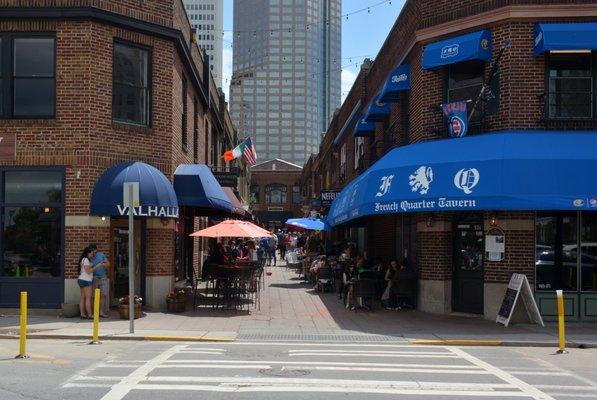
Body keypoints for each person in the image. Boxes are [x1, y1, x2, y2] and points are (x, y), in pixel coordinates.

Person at [78, 246, 101, 319]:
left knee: (82, 297)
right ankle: (90, 315)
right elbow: (88, 271)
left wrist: (93, 277)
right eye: (91, 253)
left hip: (81, 279)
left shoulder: (83, 259)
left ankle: (82, 314)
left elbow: (84, 271)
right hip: (86, 281)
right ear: (88, 253)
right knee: (88, 298)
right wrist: (96, 266)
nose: (92, 255)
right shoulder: (86, 260)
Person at [89, 244, 110, 318]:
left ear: (96, 250)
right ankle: (94, 312)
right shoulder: (89, 257)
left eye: (94, 251)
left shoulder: (101, 255)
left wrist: (104, 265)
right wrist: (93, 276)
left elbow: (108, 264)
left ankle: (101, 312)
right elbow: (86, 269)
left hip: (103, 277)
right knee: (93, 296)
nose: (93, 253)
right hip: (94, 279)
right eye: (92, 251)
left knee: (103, 295)